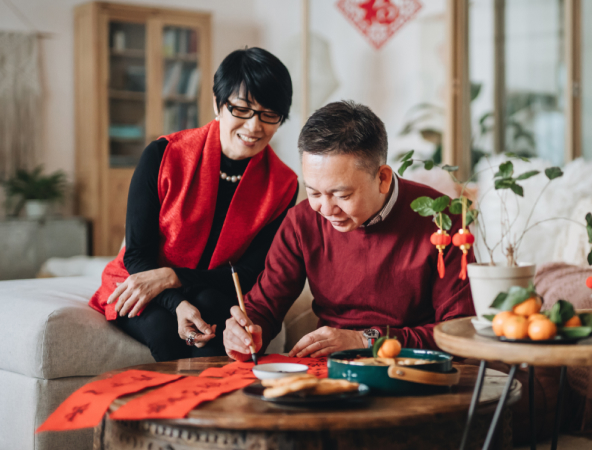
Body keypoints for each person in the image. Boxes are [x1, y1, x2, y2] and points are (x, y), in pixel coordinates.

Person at [88, 48, 298, 362]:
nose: (254, 127)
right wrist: (177, 303)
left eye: (269, 115)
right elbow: (136, 254)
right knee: (163, 329)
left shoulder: (283, 184)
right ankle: (175, 410)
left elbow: (251, 272)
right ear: (217, 104)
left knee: (215, 312)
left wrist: (174, 277)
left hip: (206, 285)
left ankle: (221, 406)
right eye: (241, 109)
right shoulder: (163, 154)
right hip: (139, 280)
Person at [223, 100, 475, 361]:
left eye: (341, 195)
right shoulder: (302, 222)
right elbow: (264, 306)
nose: (326, 209)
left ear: (383, 178)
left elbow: (459, 331)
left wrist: (366, 340)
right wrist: (244, 332)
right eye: (314, 192)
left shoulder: (441, 219)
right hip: (330, 374)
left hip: (412, 369)